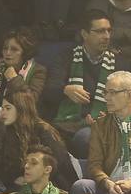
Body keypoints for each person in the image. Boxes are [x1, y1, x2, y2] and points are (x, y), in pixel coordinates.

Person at [51, 13, 120, 158]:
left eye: (109, 30)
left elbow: (129, 99)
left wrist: (108, 116)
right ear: (84, 34)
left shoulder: (119, 63)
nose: (107, 36)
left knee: (86, 138)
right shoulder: (66, 56)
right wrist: (65, 90)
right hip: (69, 123)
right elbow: (49, 89)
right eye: (100, 31)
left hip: (104, 125)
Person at [0, 29, 47, 113]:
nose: (8, 53)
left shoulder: (38, 70)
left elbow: (31, 101)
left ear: (25, 52)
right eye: (5, 48)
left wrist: (14, 79)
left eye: (14, 49)